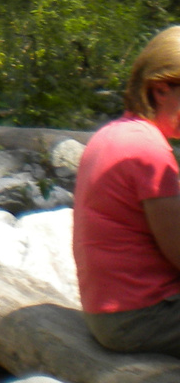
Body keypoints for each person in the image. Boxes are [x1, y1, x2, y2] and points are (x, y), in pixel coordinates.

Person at [74, 26, 180, 356]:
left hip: (112, 310)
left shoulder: (114, 133)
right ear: (161, 90)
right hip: (140, 318)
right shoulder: (149, 152)